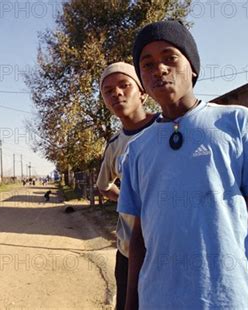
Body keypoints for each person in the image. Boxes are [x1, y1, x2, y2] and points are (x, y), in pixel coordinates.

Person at [118, 20, 248, 309]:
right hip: (157, 301)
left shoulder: (238, 124)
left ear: (192, 66)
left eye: (170, 58)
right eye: (148, 64)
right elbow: (139, 237)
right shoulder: (137, 151)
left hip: (227, 300)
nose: (160, 69)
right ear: (143, 80)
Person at [96, 62, 157, 310]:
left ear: (142, 91)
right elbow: (104, 186)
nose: (117, 93)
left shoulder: (168, 128)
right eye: (108, 91)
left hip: (165, 250)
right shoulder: (115, 146)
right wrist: (126, 201)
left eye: (124, 85)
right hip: (128, 252)